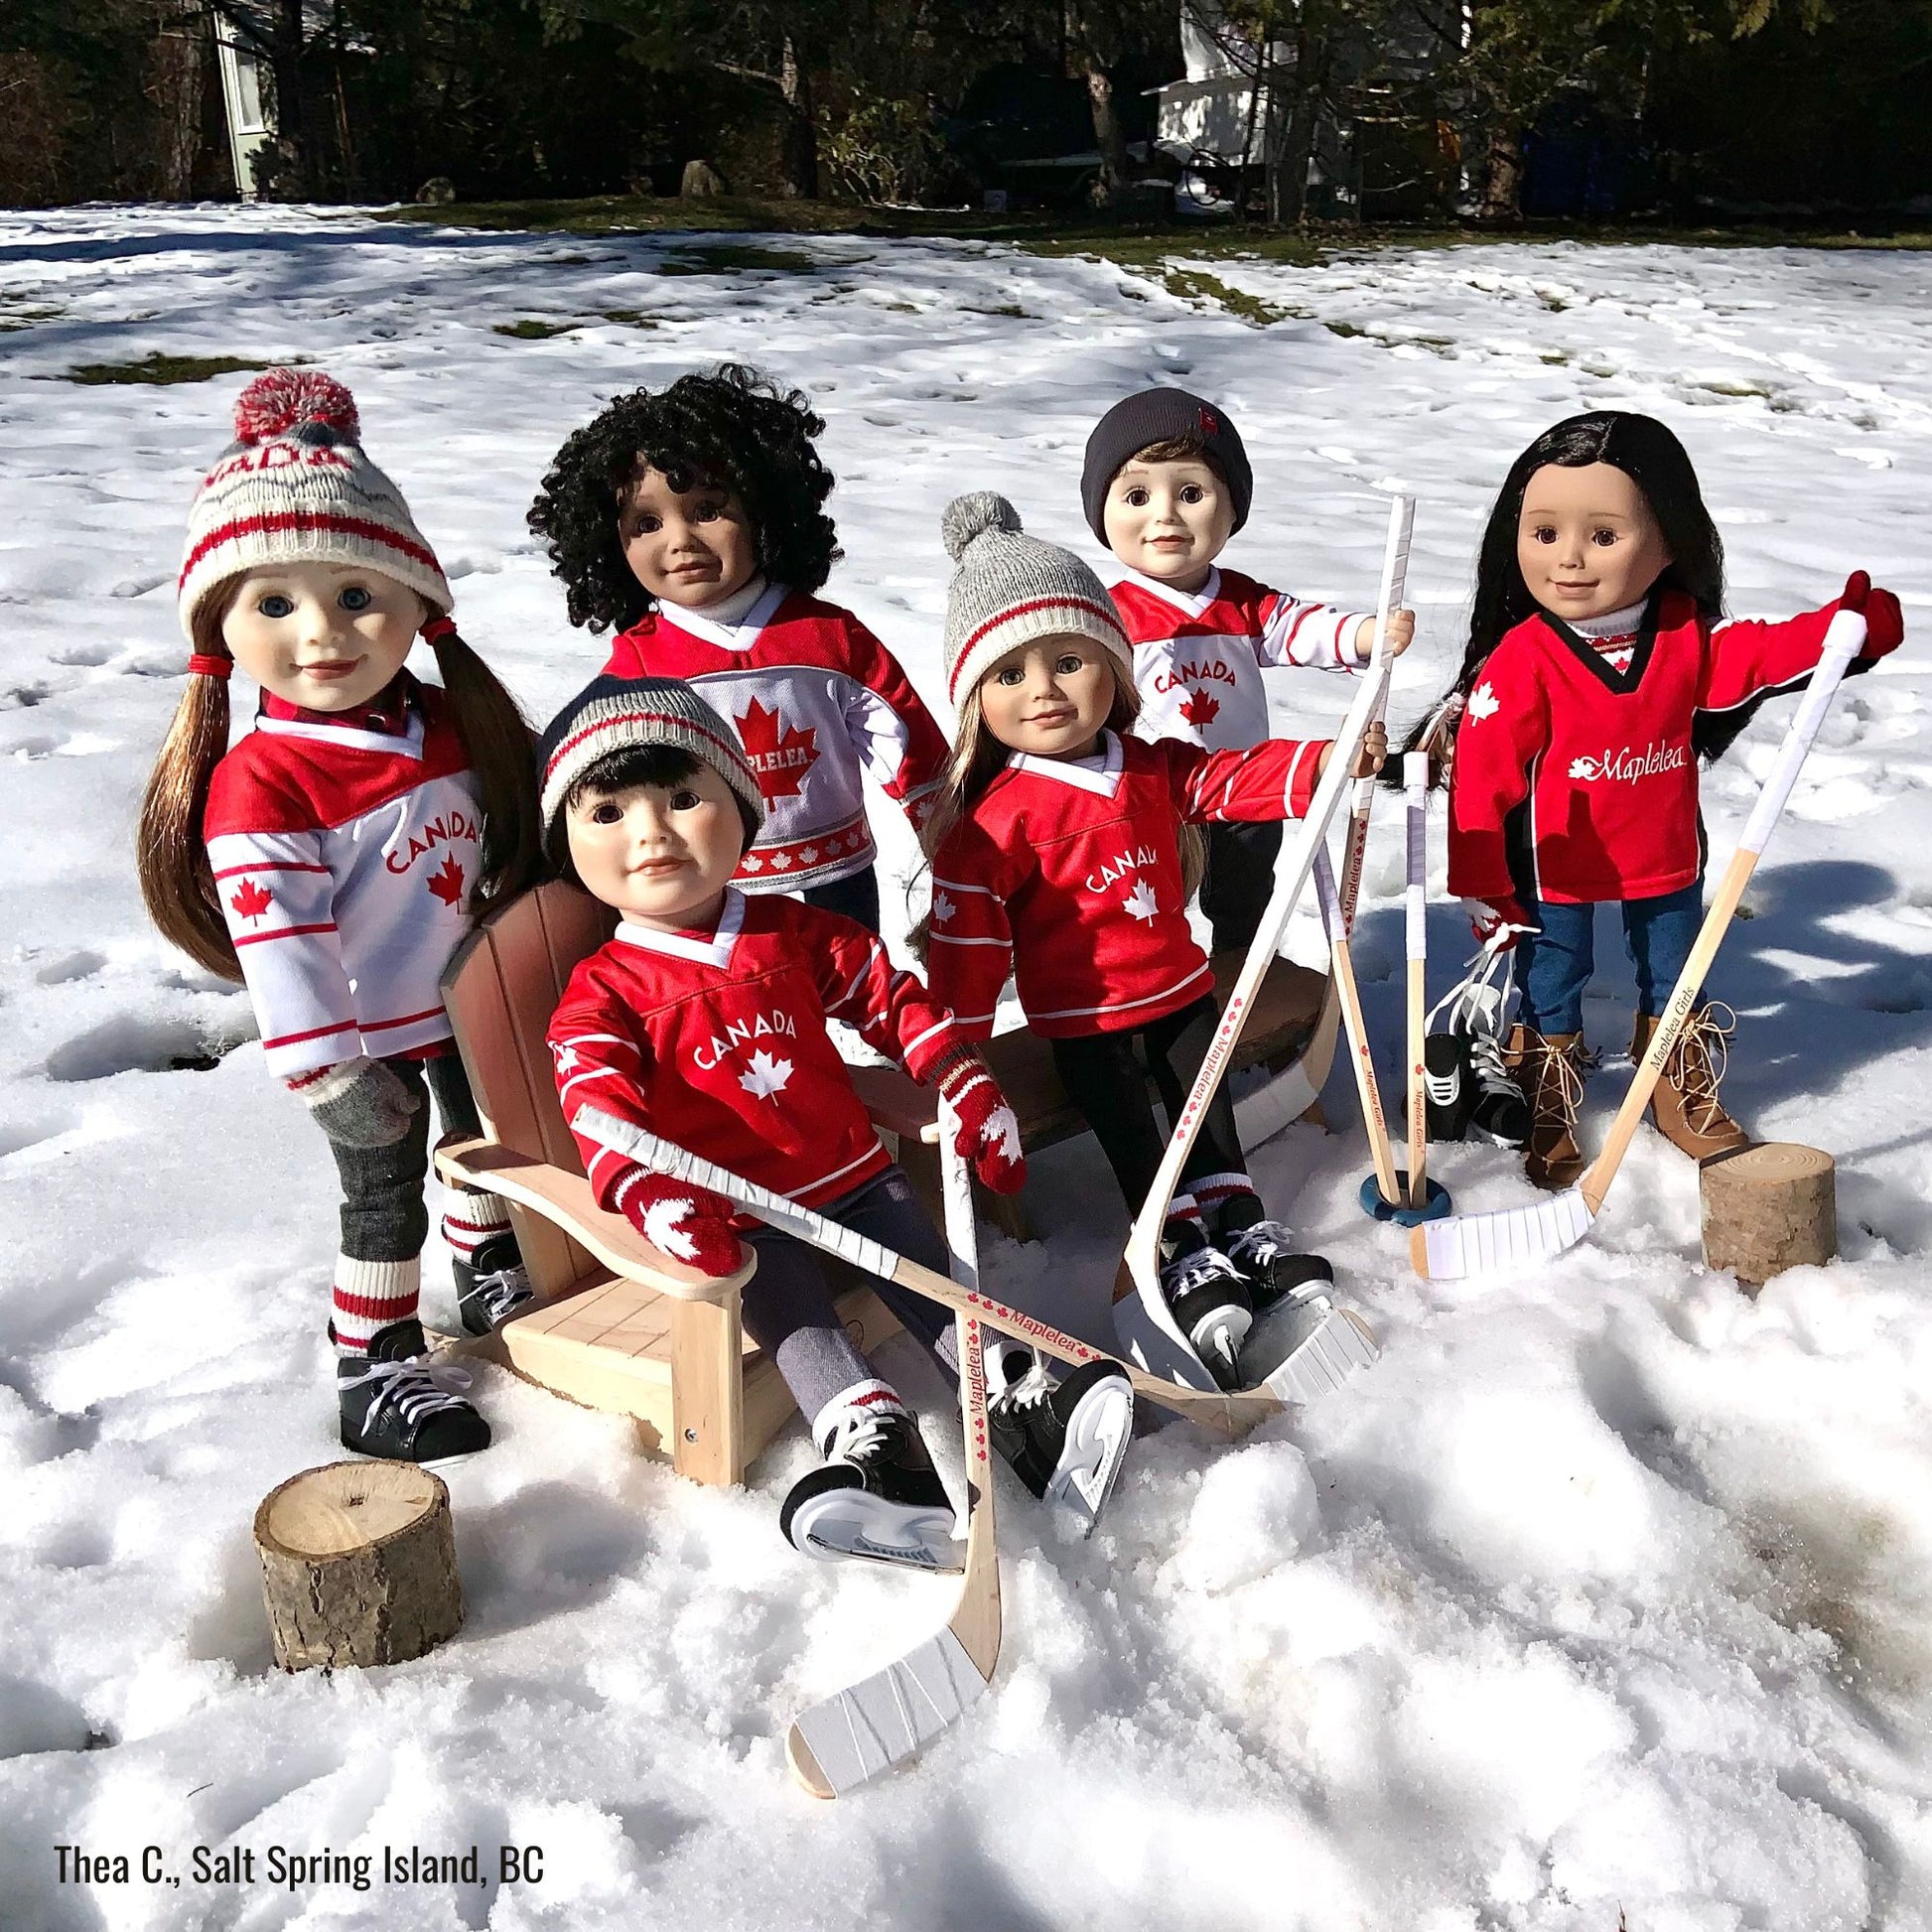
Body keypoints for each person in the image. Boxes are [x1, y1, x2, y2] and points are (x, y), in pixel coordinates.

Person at [540, 675, 1135, 1565]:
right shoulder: (604, 995)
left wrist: (960, 1078)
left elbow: (889, 1000)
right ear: (571, 850)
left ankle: (1022, 1410)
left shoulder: (795, 933)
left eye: (682, 797)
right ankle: (879, 1465)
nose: (653, 831)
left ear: (742, 811)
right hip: (742, 1214)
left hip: (856, 1179)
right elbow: (597, 1105)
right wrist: (652, 1193)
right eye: (610, 813)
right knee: (796, 1321)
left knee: (933, 1280)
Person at [136, 369, 545, 1462]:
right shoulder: (263, 784)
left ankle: (490, 1262)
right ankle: (375, 1356)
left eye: (358, 594)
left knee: (483, 1151)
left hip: (471, 1002)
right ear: (223, 622)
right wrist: (325, 1067)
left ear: (420, 605)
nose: (323, 633)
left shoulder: (456, 726)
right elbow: (284, 948)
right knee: (381, 1197)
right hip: (364, 1035)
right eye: (275, 603)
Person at [918, 494, 1384, 1391]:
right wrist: (960, 1045)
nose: (1045, 690)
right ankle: (1175, 1253)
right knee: (1139, 1137)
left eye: (1066, 661)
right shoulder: (992, 824)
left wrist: (1319, 763)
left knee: (1206, 1120)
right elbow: (968, 944)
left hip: (1180, 992)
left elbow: (1225, 778)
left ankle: (1242, 1227)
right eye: (1010, 675)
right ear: (977, 701)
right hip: (1086, 1021)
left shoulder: (1145, 765)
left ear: (1114, 667)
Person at [1418, 409, 1904, 1187]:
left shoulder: (1684, 634)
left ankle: (1676, 1080)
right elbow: (1484, 774)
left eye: (1603, 536)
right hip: (1560, 860)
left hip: (1664, 850)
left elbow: (1760, 655)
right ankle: (1550, 1090)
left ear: (1670, 540)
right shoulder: (1527, 656)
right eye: (1544, 534)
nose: (1569, 559)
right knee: (1554, 973)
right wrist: (1483, 876)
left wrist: (1843, 632)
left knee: (1678, 969)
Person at [526, 364, 949, 933]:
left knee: (855, 994)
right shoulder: (639, 669)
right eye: (647, 522)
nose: (680, 541)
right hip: (713, 892)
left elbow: (909, 744)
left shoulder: (829, 636)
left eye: (706, 510)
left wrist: (952, 841)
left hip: (839, 877)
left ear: (764, 509)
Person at [1081, 387, 1414, 954]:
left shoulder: (1241, 603)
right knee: (1148, 908)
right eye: (1137, 495)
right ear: (1101, 513)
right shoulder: (1106, 614)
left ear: (1232, 508)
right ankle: (1160, 994)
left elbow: (1302, 628)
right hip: (1153, 794)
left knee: (1245, 897)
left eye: (1191, 493)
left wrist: (1365, 635)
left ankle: (1243, 981)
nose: (1164, 515)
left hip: (1246, 786)